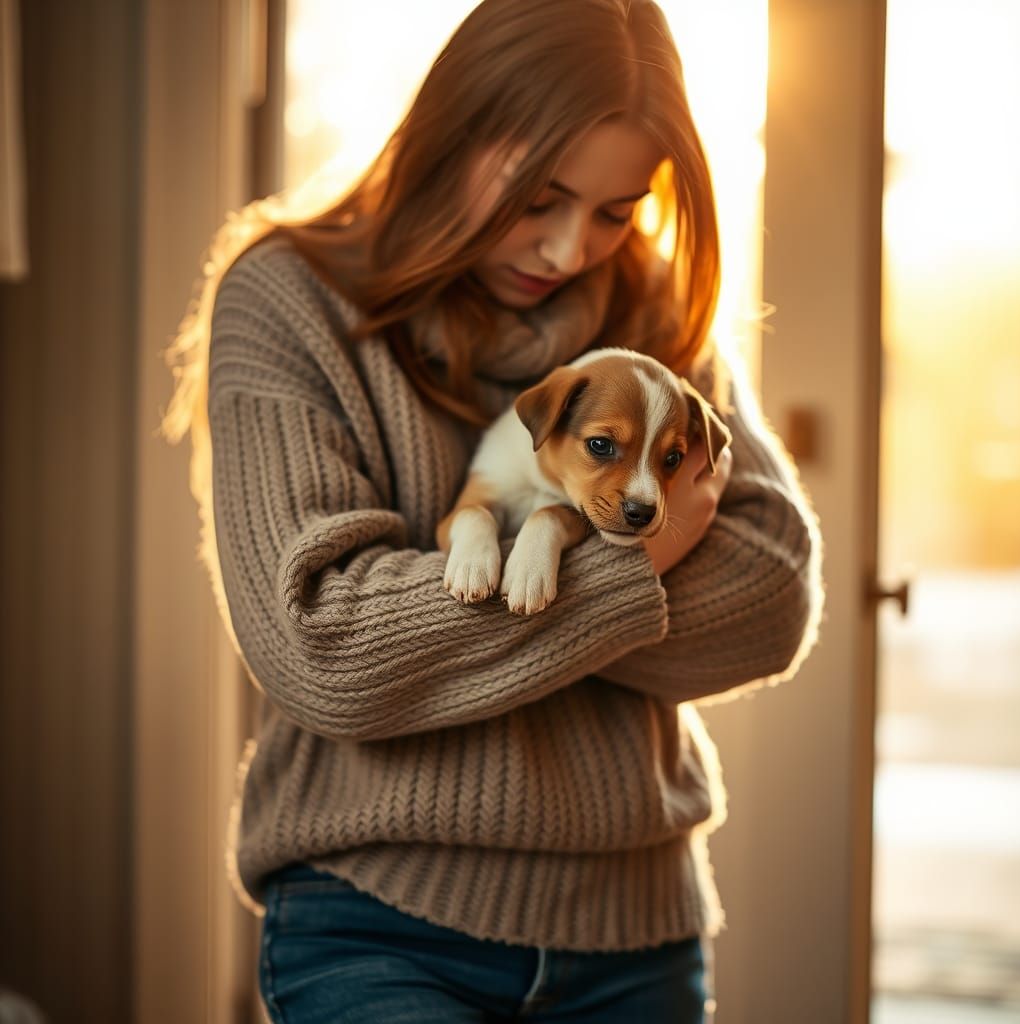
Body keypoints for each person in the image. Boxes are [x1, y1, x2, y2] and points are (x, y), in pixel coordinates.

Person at [161, 0, 823, 1020]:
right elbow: (322, 643)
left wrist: (471, 614)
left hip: (634, 934)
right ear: (449, 130)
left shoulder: (647, 323)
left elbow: (773, 593)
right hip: (377, 927)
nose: (568, 250)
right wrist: (638, 560)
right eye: (538, 197)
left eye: (614, 209)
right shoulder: (287, 300)